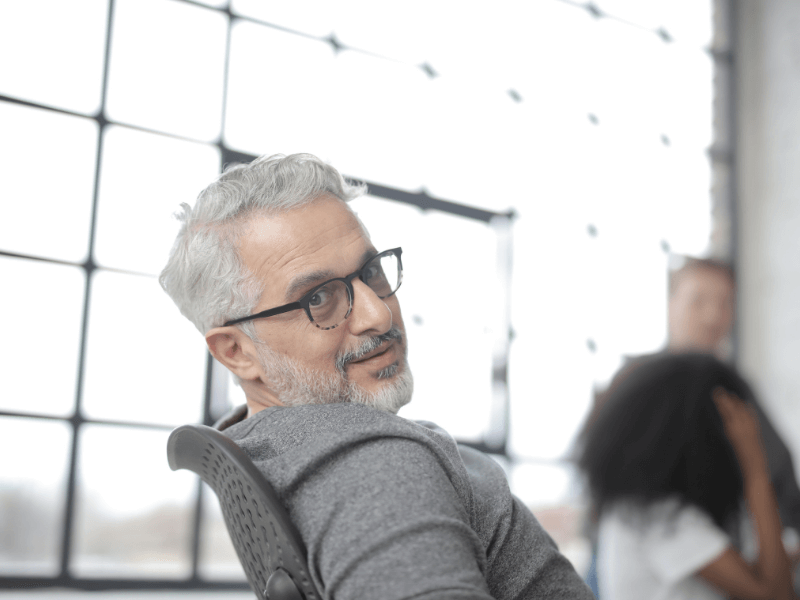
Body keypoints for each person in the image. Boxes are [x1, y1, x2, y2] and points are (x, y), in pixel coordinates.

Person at [159, 153, 593, 599]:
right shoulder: (373, 463)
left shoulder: (270, 447)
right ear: (237, 352)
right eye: (320, 297)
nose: (379, 313)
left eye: (371, 271)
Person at [578, 352, 796, 600]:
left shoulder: (651, 510)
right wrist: (755, 467)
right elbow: (777, 594)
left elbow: (762, 573)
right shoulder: (654, 516)